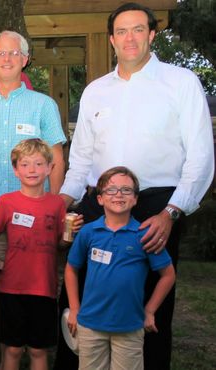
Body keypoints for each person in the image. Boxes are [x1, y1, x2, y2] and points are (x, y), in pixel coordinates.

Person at [56, 4, 214, 369]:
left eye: (138, 29)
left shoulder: (181, 83)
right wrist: (63, 201)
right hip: (97, 204)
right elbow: (80, 158)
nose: (130, 38)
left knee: (147, 304)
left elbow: (201, 155)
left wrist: (172, 212)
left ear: (152, 34)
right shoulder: (96, 91)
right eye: (122, 31)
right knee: (77, 292)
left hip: (156, 207)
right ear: (111, 39)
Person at [0, 30, 67, 278]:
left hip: (36, 215)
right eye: (1, 53)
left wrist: (57, 204)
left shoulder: (43, 105)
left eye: (14, 53)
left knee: (35, 283)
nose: (7, 59)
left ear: (25, 59)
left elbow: (56, 157)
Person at [0, 139, 81, 370]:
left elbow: (61, 244)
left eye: (39, 164)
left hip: (44, 287)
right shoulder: (7, 201)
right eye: (26, 164)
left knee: (38, 351)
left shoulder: (57, 204)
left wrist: (70, 235)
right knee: (12, 349)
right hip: (12, 287)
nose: (32, 170)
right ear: (16, 170)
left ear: (50, 168)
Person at [65, 166, 176, 370]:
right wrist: (74, 308)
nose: (118, 194)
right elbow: (71, 269)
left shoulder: (145, 234)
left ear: (135, 199)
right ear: (100, 199)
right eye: (111, 190)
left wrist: (150, 311)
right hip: (89, 324)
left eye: (126, 190)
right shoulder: (89, 232)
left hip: (130, 326)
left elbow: (168, 275)